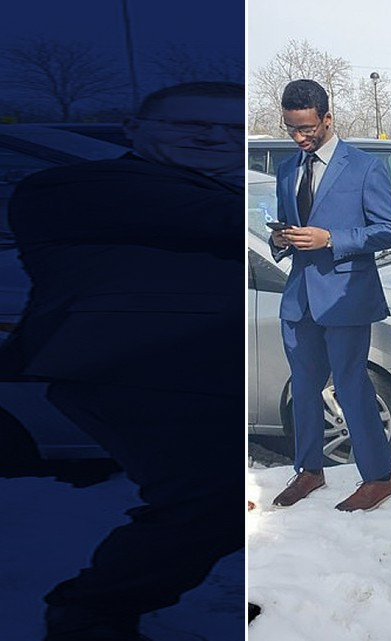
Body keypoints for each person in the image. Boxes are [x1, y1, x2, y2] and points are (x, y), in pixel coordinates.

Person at [1, 82, 245, 641]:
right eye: (191, 124)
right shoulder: (76, 184)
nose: (212, 136)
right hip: (133, 370)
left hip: (211, 373)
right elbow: (223, 223)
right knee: (213, 500)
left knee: (217, 501)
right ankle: (90, 613)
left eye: (233, 128)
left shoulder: (216, 191)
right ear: (133, 129)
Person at [268, 79, 391, 512]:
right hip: (299, 298)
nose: (299, 137)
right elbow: (287, 224)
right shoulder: (288, 168)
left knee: (349, 386)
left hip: (346, 296)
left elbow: (390, 231)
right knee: (304, 388)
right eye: (291, 128)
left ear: (327, 118)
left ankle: (379, 476)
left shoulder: (364, 167)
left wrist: (331, 238)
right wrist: (281, 241)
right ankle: (309, 470)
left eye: (307, 128)